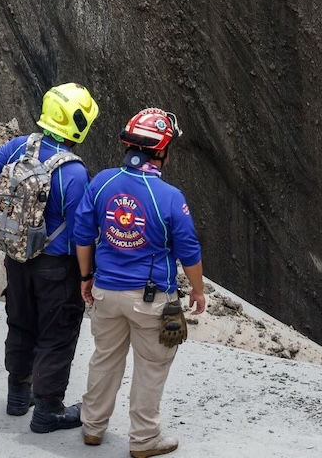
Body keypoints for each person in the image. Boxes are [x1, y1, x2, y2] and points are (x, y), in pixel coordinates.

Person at [74, 108, 205, 458]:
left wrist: (86, 278)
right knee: (152, 366)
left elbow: (83, 235)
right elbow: (188, 250)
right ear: (161, 151)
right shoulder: (170, 196)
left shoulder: (101, 181)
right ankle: (145, 440)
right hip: (150, 299)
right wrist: (198, 290)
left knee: (104, 359)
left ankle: (92, 427)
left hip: (106, 292)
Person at [0, 82, 97, 433]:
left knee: (21, 323)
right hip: (57, 269)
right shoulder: (73, 172)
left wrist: (7, 216)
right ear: (77, 123)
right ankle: (47, 410)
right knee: (56, 335)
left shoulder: (19, 147)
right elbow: (81, 233)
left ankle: (17, 395)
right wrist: (88, 276)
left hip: (17, 259)